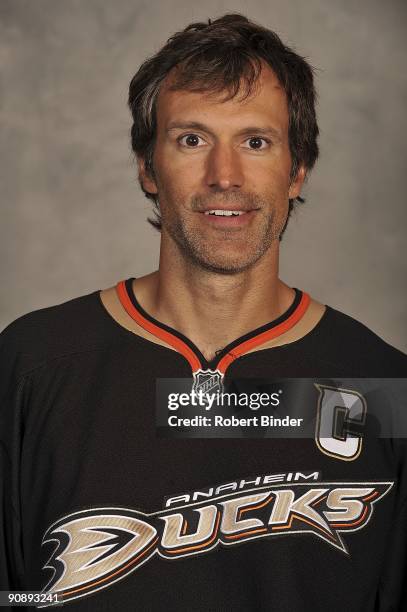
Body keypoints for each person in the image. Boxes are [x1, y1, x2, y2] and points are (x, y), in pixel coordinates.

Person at [0, 13, 406, 612]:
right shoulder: (30, 367)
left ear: (297, 170)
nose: (225, 176)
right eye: (192, 139)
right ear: (146, 166)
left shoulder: (385, 391)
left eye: (256, 142)